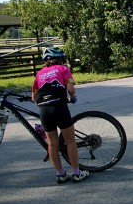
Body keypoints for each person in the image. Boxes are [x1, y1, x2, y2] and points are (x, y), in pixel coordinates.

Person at [31, 47, 89, 184]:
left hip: (44, 110)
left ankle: (61, 174)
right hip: (59, 107)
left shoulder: (39, 74)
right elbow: (70, 88)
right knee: (70, 141)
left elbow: (34, 97)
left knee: (52, 143)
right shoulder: (63, 69)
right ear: (61, 59)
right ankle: (76, 172)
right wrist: (73, 97)